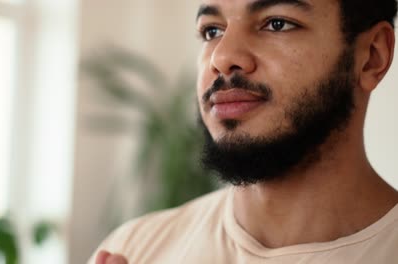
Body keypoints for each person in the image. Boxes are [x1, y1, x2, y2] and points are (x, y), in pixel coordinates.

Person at [89, 0, 398, 263]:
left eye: (277, 24)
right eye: (212, 31)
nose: (221, 59)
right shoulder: (134, 250)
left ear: (372, 57)